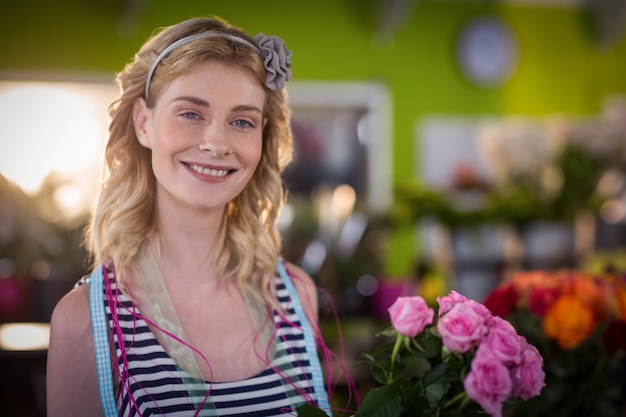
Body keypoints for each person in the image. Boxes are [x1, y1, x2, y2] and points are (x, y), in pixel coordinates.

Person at [46, 16, 349, 417]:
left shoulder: (296, 295)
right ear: (143, 123)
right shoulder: (85, 320)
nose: (216, 143)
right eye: (191, 113)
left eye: (241, 122)